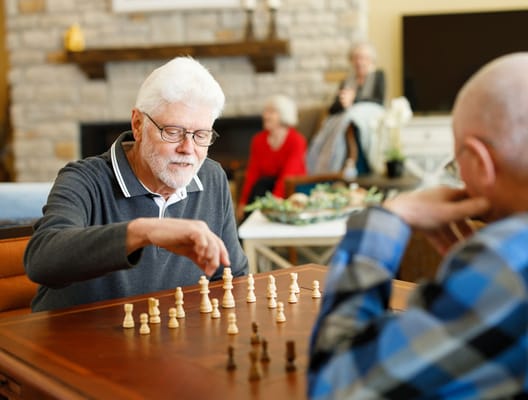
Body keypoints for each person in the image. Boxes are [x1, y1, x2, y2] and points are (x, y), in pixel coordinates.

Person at [308, 52, 528, 399]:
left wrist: (385, 219)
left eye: (458, 163)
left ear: (479, 162)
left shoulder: (511, 259)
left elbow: (336, 386)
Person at [24, 57, 248, 312]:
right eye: (173, 131)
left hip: (168, 344)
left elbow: (233, 275)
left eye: (201, 135)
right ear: (138, 124)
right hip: (75, 344)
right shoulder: (83, 179)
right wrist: (143, 232)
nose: (189, 149)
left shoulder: (212, 178)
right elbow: (41, 260)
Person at [306, 41, 386, 175]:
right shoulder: (347, 81)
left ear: (371, 60)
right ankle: (334, 164)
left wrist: (354, 100)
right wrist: (344, 103)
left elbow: (378, 100)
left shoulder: (378, 76)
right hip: (345, 121)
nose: (359, 62)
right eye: (356, 58)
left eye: (363, 58)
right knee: (338, 121)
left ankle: (352, 161)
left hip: (368, 119)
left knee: (352, 117)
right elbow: (333, 108)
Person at [236, 94, 307, 221]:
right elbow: (253, 172)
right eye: (265, 111)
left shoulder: (297, 140)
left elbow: (288, 175)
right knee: (261, 184)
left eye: (271, 112)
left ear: (284, 115)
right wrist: (243, 202)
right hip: (266, 188)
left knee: (263, 185)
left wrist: (274, 203)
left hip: (292, 188)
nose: (265, 115)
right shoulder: (258, 140)